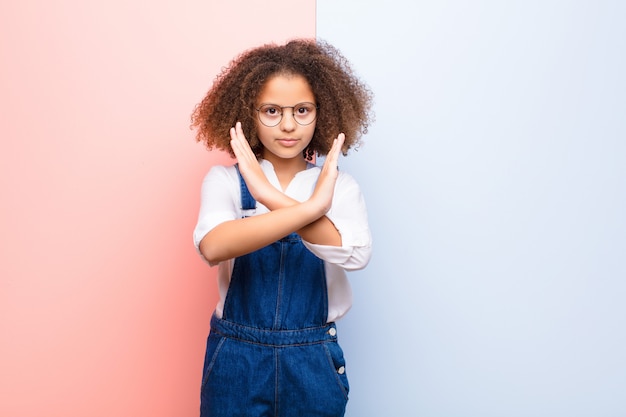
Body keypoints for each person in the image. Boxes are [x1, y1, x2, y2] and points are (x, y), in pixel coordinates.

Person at [191, 38, 373, 417]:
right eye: (271, 111)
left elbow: (355, 254)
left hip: (312, 361)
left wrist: (269, 197)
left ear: (323, 113)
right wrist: (310, 210)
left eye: (302, 110)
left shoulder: (339, 188)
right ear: (248, 113)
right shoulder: (225, 181)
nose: (288, 124)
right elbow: (213, 246)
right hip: (237, 360)